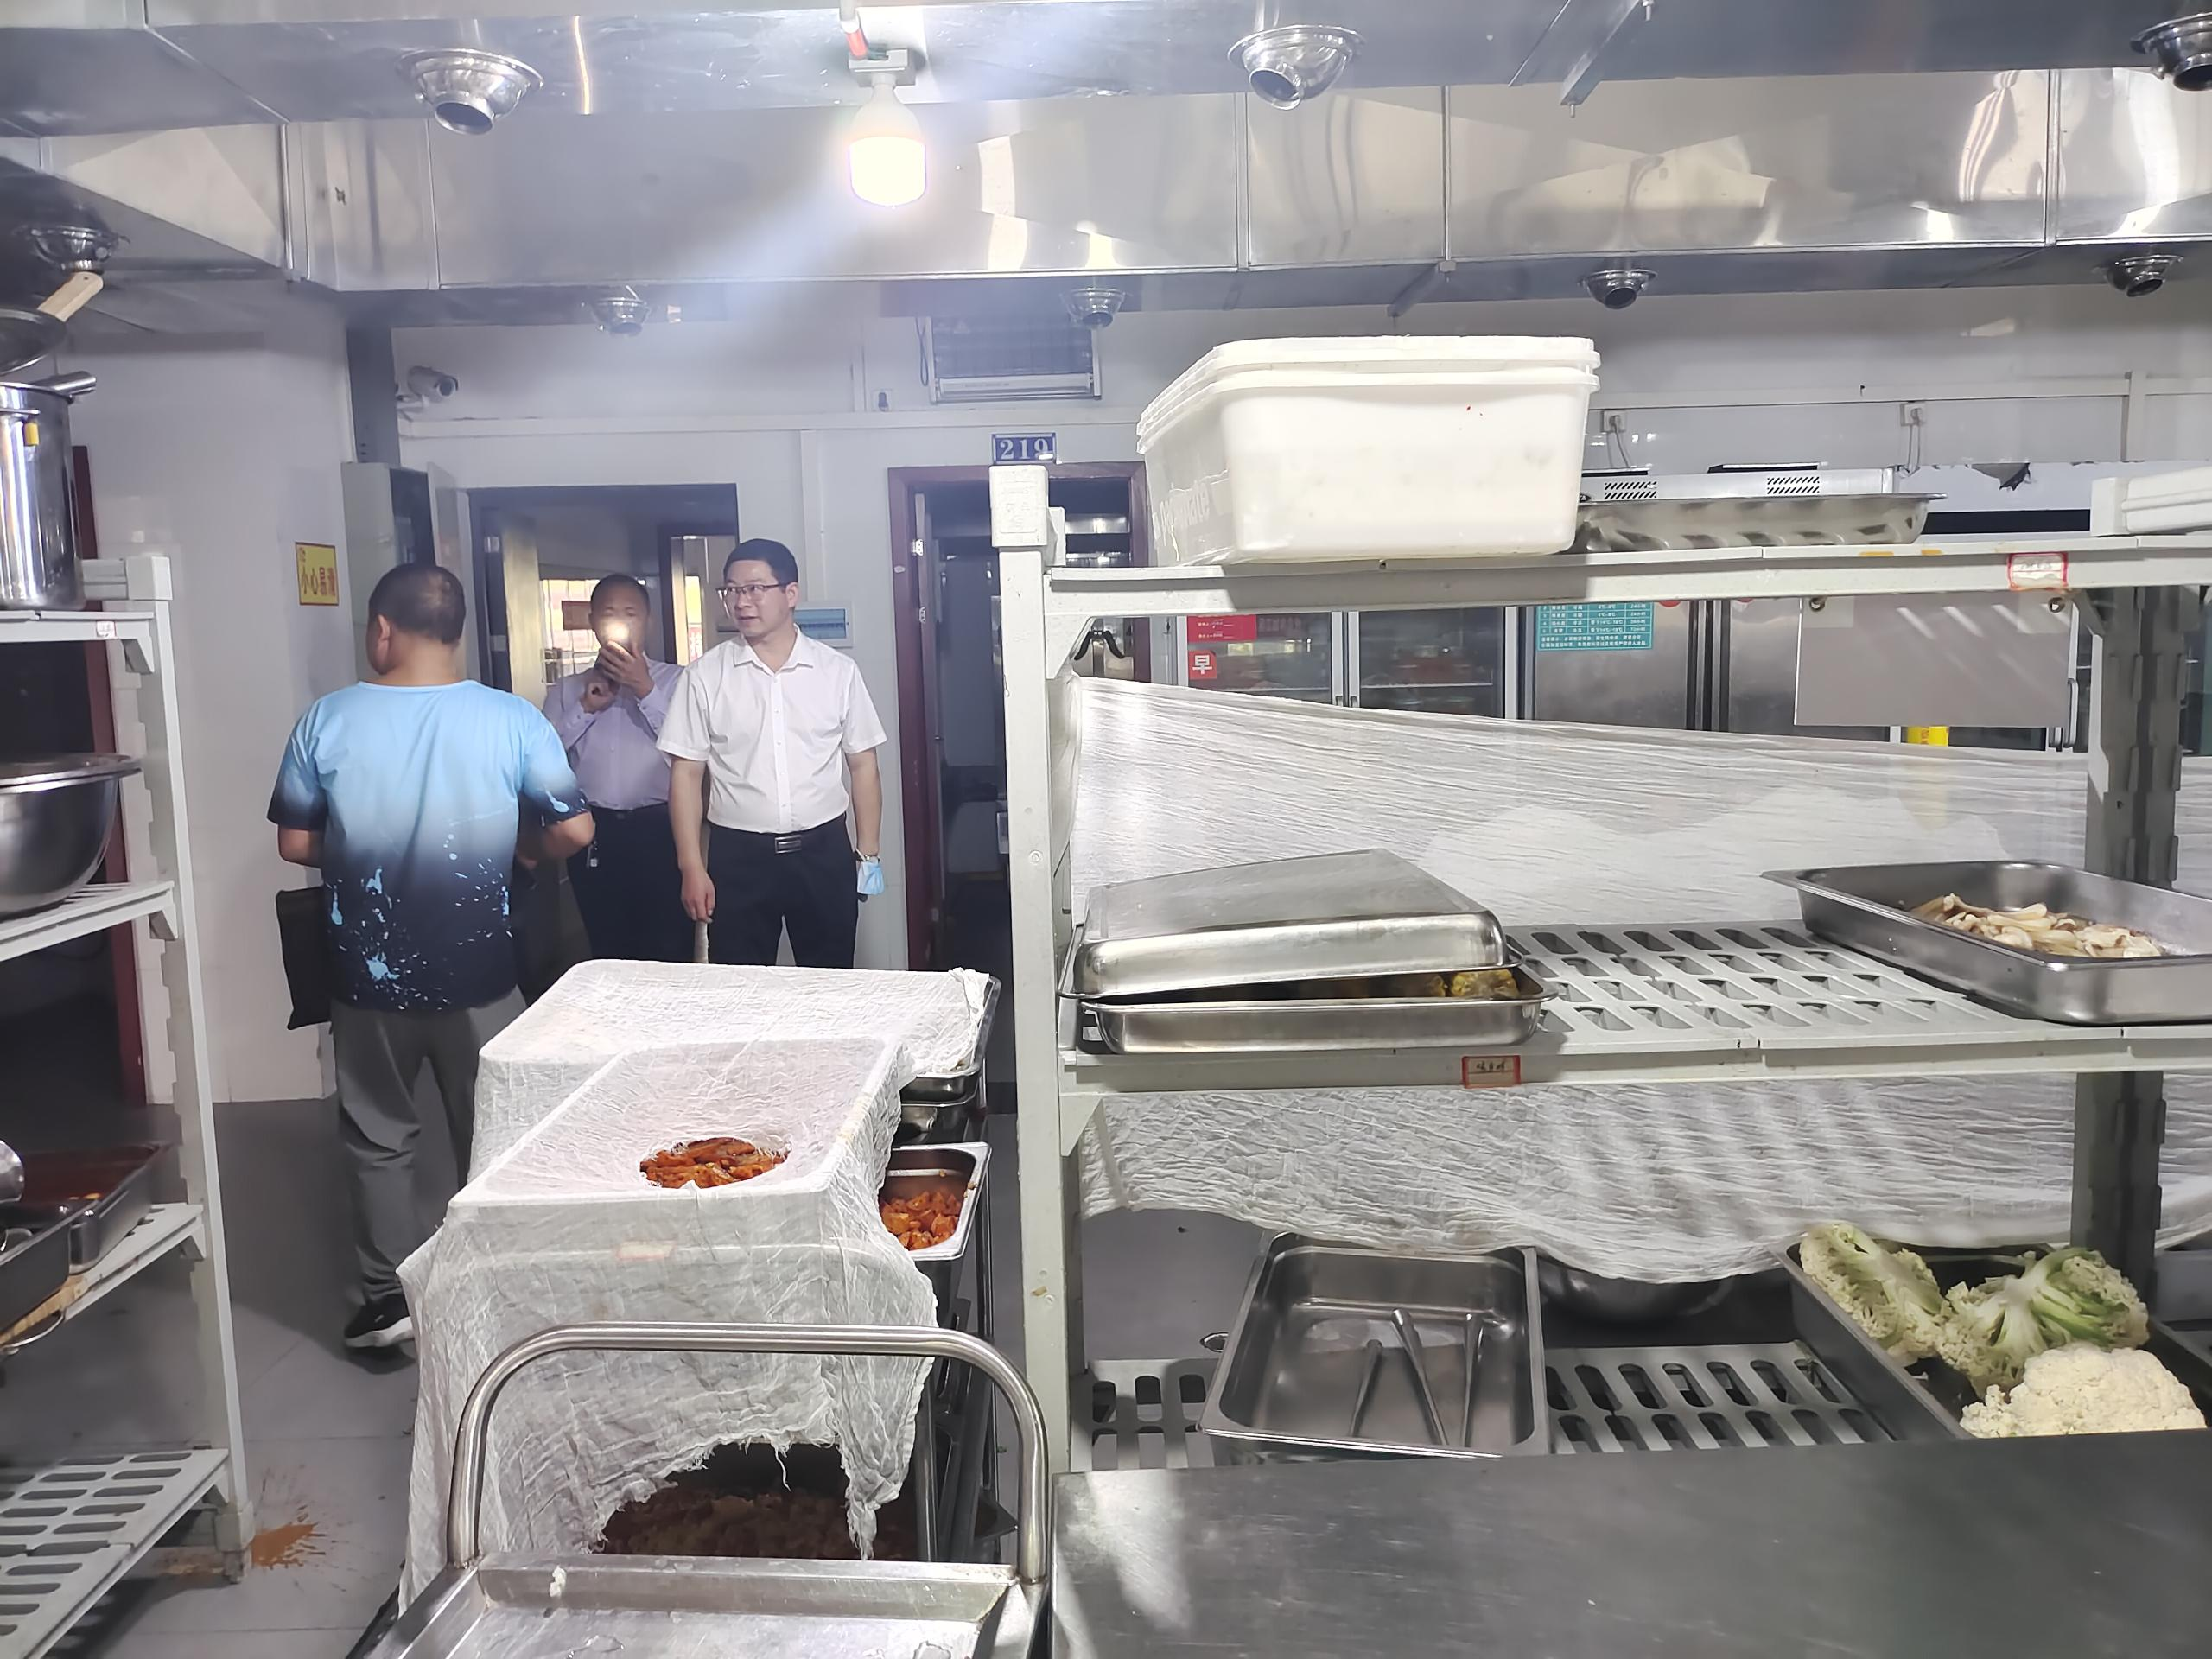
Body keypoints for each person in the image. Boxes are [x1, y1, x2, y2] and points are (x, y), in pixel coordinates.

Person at [269, 563, 594, 1350]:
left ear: (382, 630)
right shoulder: (512, 719)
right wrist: (520, 849)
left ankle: (389, 1302)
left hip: (367, 974)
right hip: (483, 971)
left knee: (379, 1135)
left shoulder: (326, 720)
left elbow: (296, 843)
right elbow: (574, 829)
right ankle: (503, 1295)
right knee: (496, 1131)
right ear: (455, 632)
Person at [659, 537, 886, 969]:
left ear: (791, 593)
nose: (742, 601)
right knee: (741, 986)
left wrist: (868, 853)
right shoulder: (705, 676)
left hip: (823, 853)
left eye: (755, 588)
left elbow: (863, 765)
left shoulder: (837, 672)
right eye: (731, 590)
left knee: (829, 982)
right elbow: (686, 775)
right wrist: (691, 865)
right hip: (738, 857)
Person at [542, 575, 690, 963]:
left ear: (648, 621)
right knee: (606, 945)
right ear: (593, 623)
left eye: (630, 613)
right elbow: (545, 758)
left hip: (662, 829)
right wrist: (585, 709)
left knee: (670, 943)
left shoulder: (679, 682)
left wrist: (645, 690)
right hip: (594, 831)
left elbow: (689, 752)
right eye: (609, 614)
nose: (620, 622)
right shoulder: (566, 689)